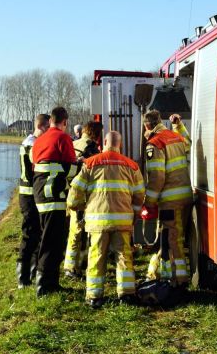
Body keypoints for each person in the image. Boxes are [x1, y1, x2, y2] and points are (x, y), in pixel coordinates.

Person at [67, 131, 145, 308]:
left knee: (97, 256)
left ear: (104, 143)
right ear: (120, 144)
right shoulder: (131, 166)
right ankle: (126, 294)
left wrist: (77, 207)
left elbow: (75, 191)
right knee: (124, 256)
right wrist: (133, 214)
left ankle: (95, 296)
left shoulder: (90, 163)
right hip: (123, 221)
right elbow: (140, 195)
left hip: (97, 221)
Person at [141, 110, 192, 289]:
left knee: (172, 240)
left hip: (171, 199)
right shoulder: (175, 136)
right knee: (171, 237)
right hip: (186, 196)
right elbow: (188, 143)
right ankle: (154, 273)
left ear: (147, 126)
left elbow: (156, 177)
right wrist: (178, 125)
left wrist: (149, 202)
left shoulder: (154, 144)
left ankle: (179, 281)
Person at [31, 107, 78, 296]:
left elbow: (37, 164)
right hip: (55, 197)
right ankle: (44, 285)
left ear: (50, 121)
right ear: (65, 122)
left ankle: (48, 281)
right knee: (54, 241)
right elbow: (71, 167)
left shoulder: (39, 140)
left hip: (39, 194)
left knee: (46, 237)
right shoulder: (63, 138)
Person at [63, 121, 103, 279]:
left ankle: (70, 265)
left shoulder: (73, 144)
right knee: (81, 231)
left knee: (73, 230)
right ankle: (74, 267)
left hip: (71, 192)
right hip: (84, 195)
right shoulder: (90, 148)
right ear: (96, 134)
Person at [16, 113, 50, 289]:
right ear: (42, 127)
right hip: (29, 195)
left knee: (38, 233)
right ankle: (23, 276)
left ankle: (32, 270)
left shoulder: (28, 142)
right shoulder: (32, 145)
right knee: (30, 234)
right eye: (48, 128)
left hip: (30, 193)